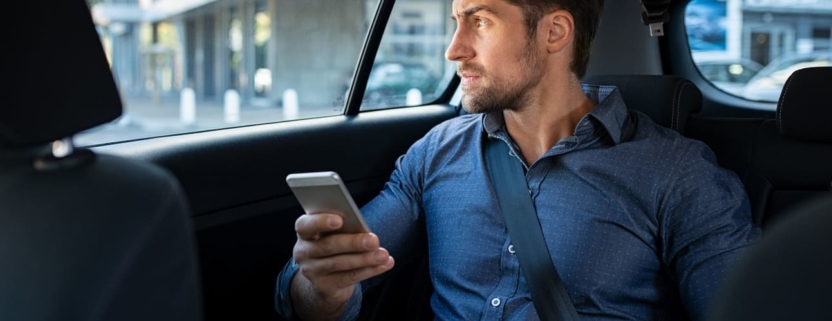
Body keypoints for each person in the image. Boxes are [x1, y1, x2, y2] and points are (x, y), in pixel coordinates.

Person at [276, 0, 760, 320]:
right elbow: (317, 291)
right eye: (455, 22)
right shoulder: (436, 152)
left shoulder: (675, 172)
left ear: (553, 32)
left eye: (480, 21)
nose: (454, 49)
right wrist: (324, 287)